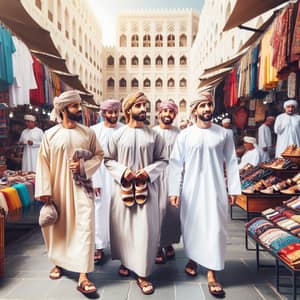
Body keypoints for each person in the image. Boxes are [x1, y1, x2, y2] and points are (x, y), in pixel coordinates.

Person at [168, 91, 241, 298]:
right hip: (191, 190)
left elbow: (232, 161)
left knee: (215, 229)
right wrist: (174, 190)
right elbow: (175, 165)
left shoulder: (223, 134)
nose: (207, 109)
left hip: (216, 188)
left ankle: (212, 273)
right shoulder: (185, 135)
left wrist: (233, 188)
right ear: (195, 110)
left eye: (209, 105)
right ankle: (193, 258)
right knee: (192, 227)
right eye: (202, 106)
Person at [35, 90, 103, 295]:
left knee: (85, 226)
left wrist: (83, 166)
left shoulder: (88, 133)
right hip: (57, 190)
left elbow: (99, 155)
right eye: (75, 106)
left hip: (82, 188)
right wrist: (45, 191)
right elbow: (43, 164)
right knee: (58, 228)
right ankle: (57, 262)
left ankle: (83, 275)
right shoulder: (50, 135)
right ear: (64, 109)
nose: (79, 109)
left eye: (79, 105)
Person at [104, 91, 168, 295]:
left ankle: (142, 273)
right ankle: (126, 262)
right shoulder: (118, 135)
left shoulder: (154, 135)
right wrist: (123, 171)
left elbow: (164, 159)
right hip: (122, 189)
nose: (143, 109)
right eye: (138, 105)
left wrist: (147, 172)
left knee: (144, 231)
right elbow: (107, 159)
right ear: (128, 109)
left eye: (145, 105)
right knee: (123, 230)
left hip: (146, 191)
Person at [90, 99, 123, 263]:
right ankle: (99, 247)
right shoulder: (93, 131)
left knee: (121, 212)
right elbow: (91, 158)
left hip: (119, 177)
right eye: (110, 112)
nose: (113, 115)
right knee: (99, 211)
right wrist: (95, 181)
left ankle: (122, 247)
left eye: (116, 112)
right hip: (100, 177)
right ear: (103, 114)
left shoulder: (124, 130)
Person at [152, 100, 181, 264]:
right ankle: (157, 246)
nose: (167, 114)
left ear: (174, 115)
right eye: (165, 111)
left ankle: (168, 243)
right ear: (159, 114)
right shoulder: (152, 133)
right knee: (157, 212)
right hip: (156, 179)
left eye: (171, 112)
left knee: (172, 213)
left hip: (174, 178)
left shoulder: (180, 134)